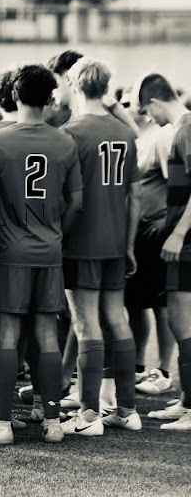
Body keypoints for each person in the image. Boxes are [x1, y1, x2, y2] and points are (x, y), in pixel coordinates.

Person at [0, 65, 83, 444]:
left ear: (14, 96)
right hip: (49, 251)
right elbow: (76, 202)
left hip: (8, 251)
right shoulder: (65, 142)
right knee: (47, 333)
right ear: (50, 98)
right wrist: (57, 235)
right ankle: (53, 422)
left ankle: (2, 423)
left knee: (7, 334)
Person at [60, 57, 143, 436]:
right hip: (115, 240)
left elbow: (68, 197)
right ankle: (127, 409)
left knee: (86, 324)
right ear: (106, 88)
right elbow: (135, 196)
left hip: (81, 240)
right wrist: (129, 244)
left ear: (75, 85)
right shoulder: (125, 132)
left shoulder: (71, 132)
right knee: (117, 319)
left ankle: (89, 413)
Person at [136, 73, 191, 430]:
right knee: (177, 320)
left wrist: (179, 233)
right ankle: (187, 400)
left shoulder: (186, 128)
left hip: (187, 241)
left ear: (155, 102)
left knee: (182, 323)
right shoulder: (182, 129)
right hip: (182, 239)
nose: (147, 117)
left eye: (146, 110)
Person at [121, 87, 176, 394]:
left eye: (129, 104)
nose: (127, 108)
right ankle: (139, 365)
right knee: (135, 303)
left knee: (161, 304)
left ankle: (164, 370)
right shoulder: (137, 141)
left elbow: (176, 185)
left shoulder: (161, 137)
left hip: (156, 231)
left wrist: (168, 227)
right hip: (137, 233)